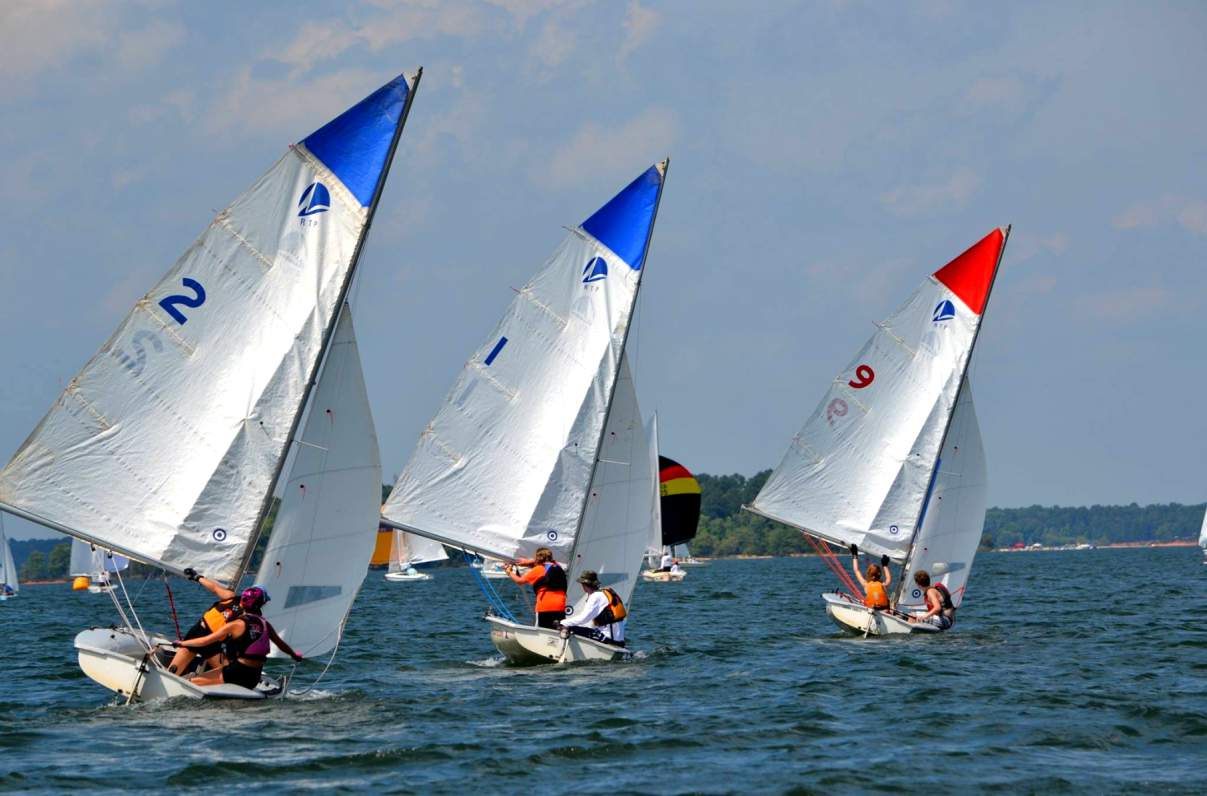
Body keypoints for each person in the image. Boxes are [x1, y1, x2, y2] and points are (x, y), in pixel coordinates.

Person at [174, 586, 302, 689]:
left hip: (236, 673)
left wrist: (181, 643)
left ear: (241, 602)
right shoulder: (265, 624)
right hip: (254, 678)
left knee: (188, 683)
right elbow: (281, 644)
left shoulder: (236, 624)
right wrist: (294, 655)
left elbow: (205, 641)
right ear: (262, 604)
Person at [166, 567, 240, 675]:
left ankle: (197, 682)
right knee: (173, 671)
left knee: (228, 674)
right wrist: (197, 577)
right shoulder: (231, 597)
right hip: (201, 634)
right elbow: (214, 588)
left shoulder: (247, 614)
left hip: (211, 640)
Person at [505, 547, 567, 628]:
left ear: (538, 558)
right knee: (558, 629)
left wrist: (509, 572)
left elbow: (520, 581)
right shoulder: (558, 566)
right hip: (560, 606)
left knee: (543, 631)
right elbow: (546, 565)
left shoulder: (538, 570)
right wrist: (528, 562)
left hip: (544, 606)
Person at [559, 571, 626, 646]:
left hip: (609, 640)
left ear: (584, 585)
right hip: (620, 642)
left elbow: (583, 619)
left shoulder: (595, 596)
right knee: (581, 629)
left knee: (569, 628)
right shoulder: (605, 592)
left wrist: (562, 623)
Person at [850, 544, 892, 610]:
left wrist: (854, 555)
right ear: (880, 574)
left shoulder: (865, 585)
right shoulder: (884, 585)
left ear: (868, 574)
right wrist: (885, 565)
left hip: (871, 609)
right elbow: (888, 578)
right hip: (884, 610)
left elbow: (856, 570)